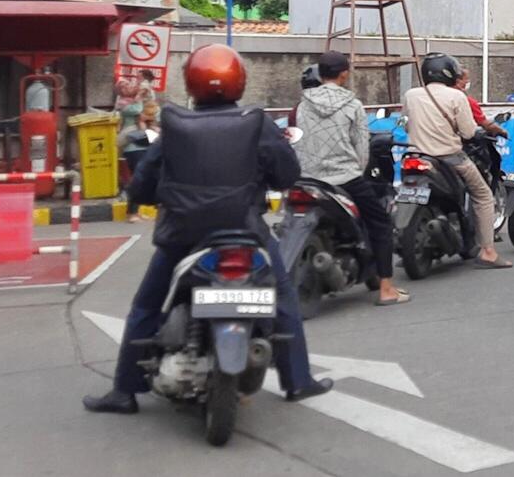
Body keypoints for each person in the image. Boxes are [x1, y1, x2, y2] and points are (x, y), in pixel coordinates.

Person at [84, 44, 331, 414]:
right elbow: (287, 173)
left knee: (146, 307)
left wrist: (145, 199)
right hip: (245, 232)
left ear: (191, 83)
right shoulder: (256, 121)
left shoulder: (174, 123)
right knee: (283, 299)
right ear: (240, 81)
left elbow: (145, 180)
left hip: (182, 237)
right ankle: (298, 381)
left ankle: (124, 391)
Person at [294, 51, 405, 305]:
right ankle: (386, 288)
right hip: (345, 178)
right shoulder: (353, 105)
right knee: (380, 224)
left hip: (309, 179)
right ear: (344, 74)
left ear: (320, 74)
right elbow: (362, 151)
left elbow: (299, 140)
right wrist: (357, 169)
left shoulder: (302, 105)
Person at [401, 53, 509, 269]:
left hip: (415, 157)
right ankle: (488, 251)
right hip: (450, 159)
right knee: (483, 195)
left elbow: (406, 124)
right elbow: (468, 133)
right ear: (449, 72)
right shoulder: (456, 96)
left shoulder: (410, 95)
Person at [454, 67, 509, 142]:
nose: (468, 82)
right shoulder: (466, 101)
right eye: (466, 79)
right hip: (460, 143)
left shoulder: (441, 97)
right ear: (458, 81)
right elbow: (484, 123)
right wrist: (502, 131)